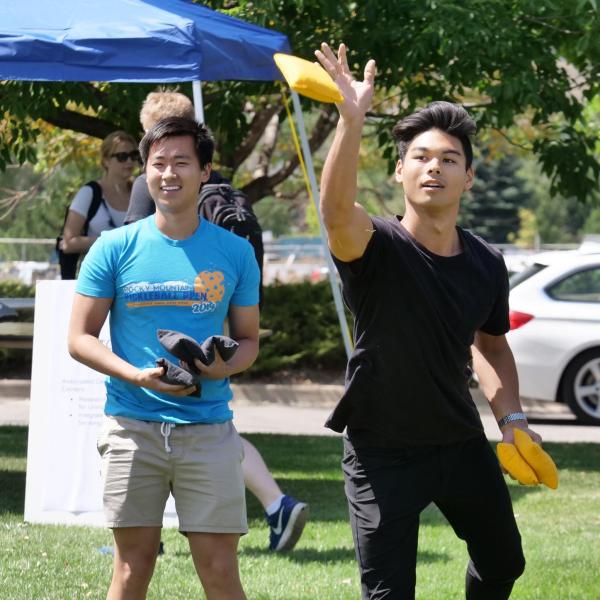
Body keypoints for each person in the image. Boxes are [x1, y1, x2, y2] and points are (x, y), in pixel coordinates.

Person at [315, 42, 540, 600]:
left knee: (504, 563)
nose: (433, 166)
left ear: (468, 179)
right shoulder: (375, 245)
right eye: (419, 156)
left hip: (457, 440)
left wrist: (511, 419)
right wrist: (352, 119)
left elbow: (489, 344)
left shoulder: (486, 261)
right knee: (389, 594)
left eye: (448, 158)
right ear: (398, 172)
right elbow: (336, 212)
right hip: (380, 450)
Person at [68, 117, 257, 599]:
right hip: (133, 428)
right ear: (145, 173)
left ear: (205, 172)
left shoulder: (235, 252)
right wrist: (138, 375)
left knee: (219, 569)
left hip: (209, 431)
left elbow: (249, 341)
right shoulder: (114, 247)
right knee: (132, 568)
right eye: (158, 164)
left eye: (181, 162)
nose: (168, 174)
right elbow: (80, 337)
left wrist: (221, 365)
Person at [125, 90, 308, 552]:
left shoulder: (151, 183)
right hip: (220, 319)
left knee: (185, 426)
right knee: (214, 423)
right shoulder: (221, 182)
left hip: (166, 335)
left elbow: (133, 247)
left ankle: (155, 533)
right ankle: (275, 503)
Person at [60, 130, 139, 257]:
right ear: (106, 160)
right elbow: (68, 244)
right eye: (122, 156)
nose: (129, 161)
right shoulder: (89, 193)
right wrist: (111, 241)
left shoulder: (141, 193)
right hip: (99, 273)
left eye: (134, 155)